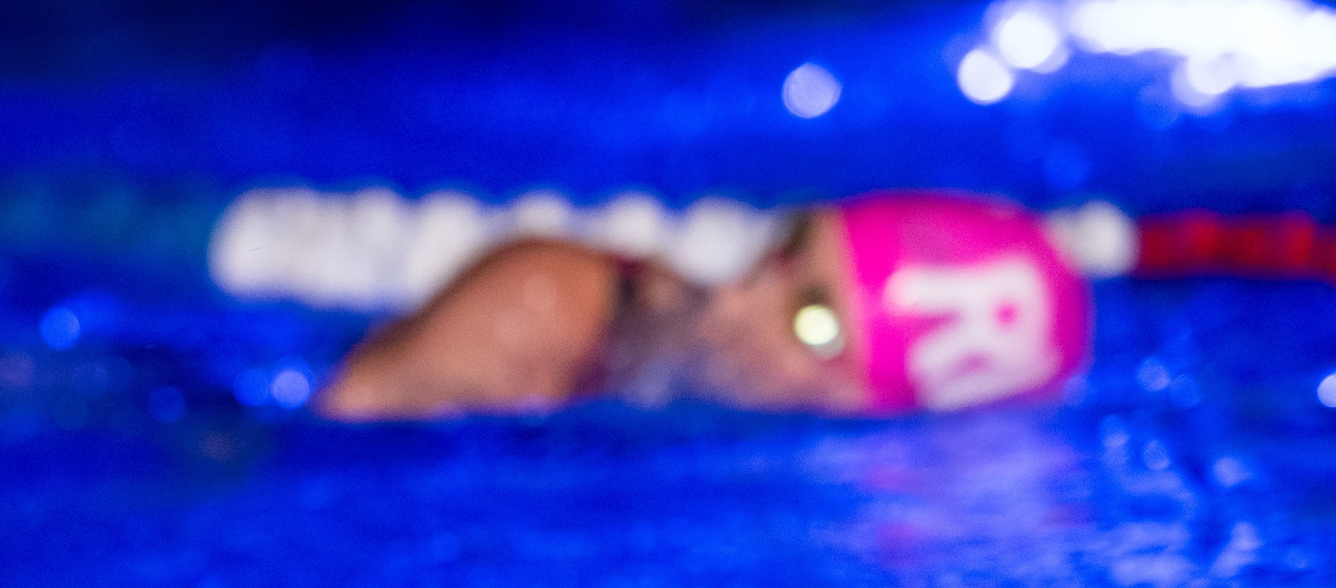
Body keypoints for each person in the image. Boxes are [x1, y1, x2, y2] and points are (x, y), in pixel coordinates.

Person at [316, 191, 1096, 421]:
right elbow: (326, 437)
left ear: (857, 405)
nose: (743, 290)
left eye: (812, 319)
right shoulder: (547, 303)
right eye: (786, 247)